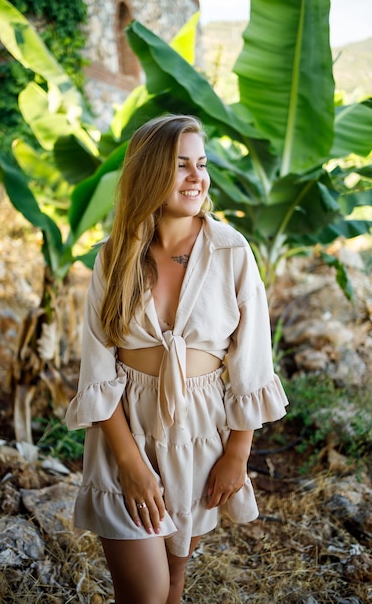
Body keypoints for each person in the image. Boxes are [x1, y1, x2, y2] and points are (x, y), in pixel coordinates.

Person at [65, 114, 288, 604]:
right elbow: (98, 368)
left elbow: (250, 363)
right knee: (145, 594)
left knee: (174, 585)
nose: (197, 177)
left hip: (200, 433)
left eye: (201, 164)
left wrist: (237, 455)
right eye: (180, 165)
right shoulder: (114, 256)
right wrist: (130, 462)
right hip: (126, 431)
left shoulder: (231, 251)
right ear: (148, 173)